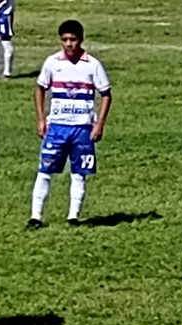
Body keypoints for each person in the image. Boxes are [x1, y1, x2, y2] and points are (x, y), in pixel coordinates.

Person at [27, 20, 111, 229]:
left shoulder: (92, 65)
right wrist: (41, 119)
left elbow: (106, 95)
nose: (69, 44)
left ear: (80, 40)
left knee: (79, 173)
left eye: (73, 39)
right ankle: (35, 216)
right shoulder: (52, 63)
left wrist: (99, 124)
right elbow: (40, 89)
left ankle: (73, 216)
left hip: (82, 128)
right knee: (45, 171)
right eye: (64, 40)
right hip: (57, 127)